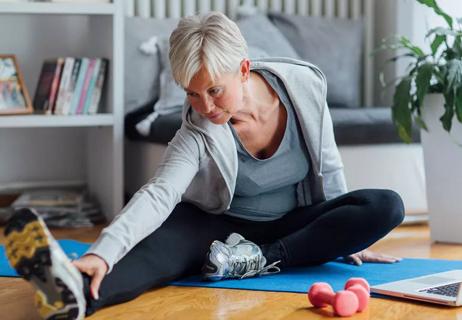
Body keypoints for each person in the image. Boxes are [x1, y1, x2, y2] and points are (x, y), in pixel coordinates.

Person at [4, 12, 405, 320]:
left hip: (292, 222)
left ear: (244, 69)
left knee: (387, 205)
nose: (206, 107)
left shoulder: (305, 86)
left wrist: (348, 237)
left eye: (215, 90)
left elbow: (327, 162)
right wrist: (103, 253)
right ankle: (72, 293)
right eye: (192, 93)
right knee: (154, 254)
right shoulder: (197, 128)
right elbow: (158, 193)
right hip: (216, 225)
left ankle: (260, 259)